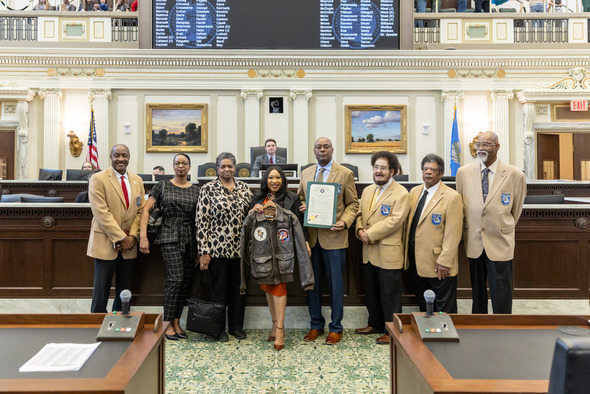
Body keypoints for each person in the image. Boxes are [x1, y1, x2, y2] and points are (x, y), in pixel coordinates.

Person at [456, 131, 526, 314]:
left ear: (497, 147)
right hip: (474, 240)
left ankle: (503, 328)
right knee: (477, 292)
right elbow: (461, 205)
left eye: (486, 144)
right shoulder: (463, 173)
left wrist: (501, 225)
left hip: (499, 241)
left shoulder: (514, 175)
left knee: (501, 291)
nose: (481, 148)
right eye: (479, 144)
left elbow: (515, 210)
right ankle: (479, 325)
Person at [297, 137, 359, 345]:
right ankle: (316, 325)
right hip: (312, 239)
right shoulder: (306, 173)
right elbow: (300, 198)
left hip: (334, 238)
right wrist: (304, 206)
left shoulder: (345, 173)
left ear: (332, 149)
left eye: (326, 147)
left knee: (335, 286)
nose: (322, 150)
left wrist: (345, 222)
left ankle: (336, 327)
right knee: (312, 285)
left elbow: (353, 205)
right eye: (318, 147)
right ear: (313, 150)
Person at [246, 166, 312, 350]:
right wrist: (253, 211)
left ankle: (281, 328)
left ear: (283, 180)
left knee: (279, 286)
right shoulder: (257, 197)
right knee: (267, 285)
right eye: (270, 177)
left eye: (278, 177)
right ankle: (274, 323)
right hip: (263, 252)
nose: (274, 181)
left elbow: (299, 224)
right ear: (265, 179)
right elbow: (250, 224)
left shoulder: (292, 198)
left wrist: (305, 242)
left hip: (284, 251)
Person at [139, 154, 199, 340]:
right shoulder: (162, 186)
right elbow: (146, 210)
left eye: (184, 163)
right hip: (170, 236)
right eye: (177, 163)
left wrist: (201, 247)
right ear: (173, 166)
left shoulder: (197, 190)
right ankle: (166, 323)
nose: (181, 166)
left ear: (189, 167)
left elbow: (201, 219)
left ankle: (177, 322)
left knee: (185, 283)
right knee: (176, 280)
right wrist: (143, 237)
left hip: (191, 239)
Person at [355, 151, 409, 345]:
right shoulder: (368, 190)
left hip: (388, 251)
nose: (378, 171)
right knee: (372, 291)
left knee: (390, 294)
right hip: (369, 251)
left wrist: (370, 234)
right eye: (376, 167)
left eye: (383, 168)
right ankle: (375, 324)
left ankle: (392, 330)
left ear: (392, 171)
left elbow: (395, 221)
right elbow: (360, 214)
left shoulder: (401, 193)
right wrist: (360, 229)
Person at [196, 152, 252, 342]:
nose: (226, 169)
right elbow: (201, 221)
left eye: (230, 166)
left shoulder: (245, 189)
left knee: (239, 290)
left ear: (235, 168)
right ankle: (218, 329)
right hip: (217, 249)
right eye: (223, 166)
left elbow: (252, 218)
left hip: (241, 250)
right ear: (217, 168)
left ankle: (236, 327)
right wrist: (204, 252)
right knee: (218, 292)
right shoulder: (208, 189)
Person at [87, 144, 145, 313]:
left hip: (129, 245)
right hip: (106, 241)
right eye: (117, 155)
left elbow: (140, 211)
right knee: (101, 288)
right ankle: (96, 321)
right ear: (110, 157)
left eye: (124, 155)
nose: (121, 159)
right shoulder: (98, 178)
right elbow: (100, 212)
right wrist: (121, 237)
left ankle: (120, 319)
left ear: (129, 157)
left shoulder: (137, 180)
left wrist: (133, 236)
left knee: (125, 287)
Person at [406, 154, 463, 314]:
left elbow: (454, 233)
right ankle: (427, 335)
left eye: (433, 169)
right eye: (425, 169)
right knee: (423, 305)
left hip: (439, 263)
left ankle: (446, 337)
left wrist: (445, 261)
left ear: (441, 173)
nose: (428, 172)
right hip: (417, 261)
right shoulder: (415, 192)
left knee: (444, 308)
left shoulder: (452, 197)